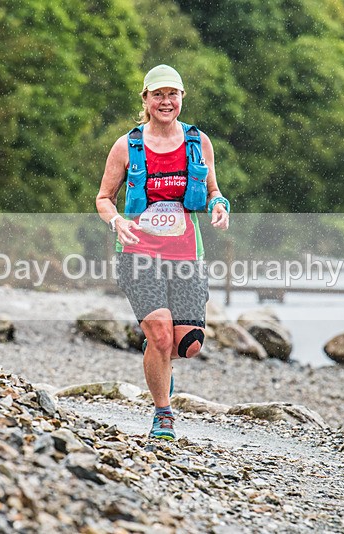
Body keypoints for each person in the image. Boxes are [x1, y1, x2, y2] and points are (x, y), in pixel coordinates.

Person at [96, 65, 230, 440]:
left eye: (173, 94)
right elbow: (104, 198)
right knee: (160, 335)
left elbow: (215, 190)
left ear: (182, 98)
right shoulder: (127, 146)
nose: (166, 101)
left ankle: (158, 358)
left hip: (186, 254)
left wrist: (221, 205)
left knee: (187, 346)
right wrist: (116, 221)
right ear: (146, 100)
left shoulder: (198, 142)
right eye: (158, 94)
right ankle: (163, 414)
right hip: (138, 253)